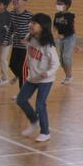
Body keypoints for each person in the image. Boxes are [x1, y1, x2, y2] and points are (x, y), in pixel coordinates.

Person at [16, 13, 59, 142]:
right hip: (33, 77)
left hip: (45, 80)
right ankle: (34, 120)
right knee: (21, 99)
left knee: (40, 105)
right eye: (31, 22)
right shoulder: (30, 38)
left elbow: (56, 64)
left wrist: (48, 73)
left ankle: (45, 132)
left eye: (34, 23)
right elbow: (28, 57)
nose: (31, 25)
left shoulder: (48, 46)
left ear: (43, 26)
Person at [4, 0, 33, 90]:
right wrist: (6, 39)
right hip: (16, 44)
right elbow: (11, 28)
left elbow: (33, 30)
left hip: (25, 47)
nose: (14, 1)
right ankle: (19, 76)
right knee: (12, 65)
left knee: (23, 69)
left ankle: (23, 93)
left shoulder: (29, 15)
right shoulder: (12, 14)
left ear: (23, 2)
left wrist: (28, 40)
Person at [53, 0, 76, 84]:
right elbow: (55, 25)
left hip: (69, 38)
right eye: (57, 3)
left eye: (60, 4)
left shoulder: (70, 16)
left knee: (66, 57)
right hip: (61, 38)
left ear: (66, 6)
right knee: (61, 60)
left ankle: (69, 75)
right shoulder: (57, 15)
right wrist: (54, 31)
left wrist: (64, 35)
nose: (58, 5)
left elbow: (71, 29)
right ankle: (68, 76)